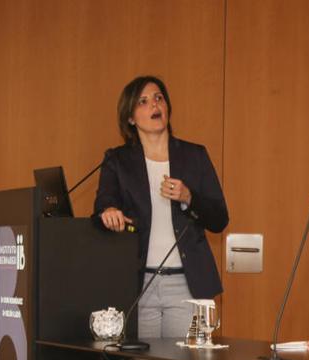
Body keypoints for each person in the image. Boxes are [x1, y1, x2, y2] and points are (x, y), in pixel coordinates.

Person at [93, 75, 228, 338]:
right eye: (143, 101)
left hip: (187, 285)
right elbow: (103, 205)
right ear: (130, 118)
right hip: (138, 284)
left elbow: (220, 219)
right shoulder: (118, 160)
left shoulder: (194, 156)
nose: (154, 105)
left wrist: (189, 197)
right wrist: (109, 212)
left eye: (159, 98)